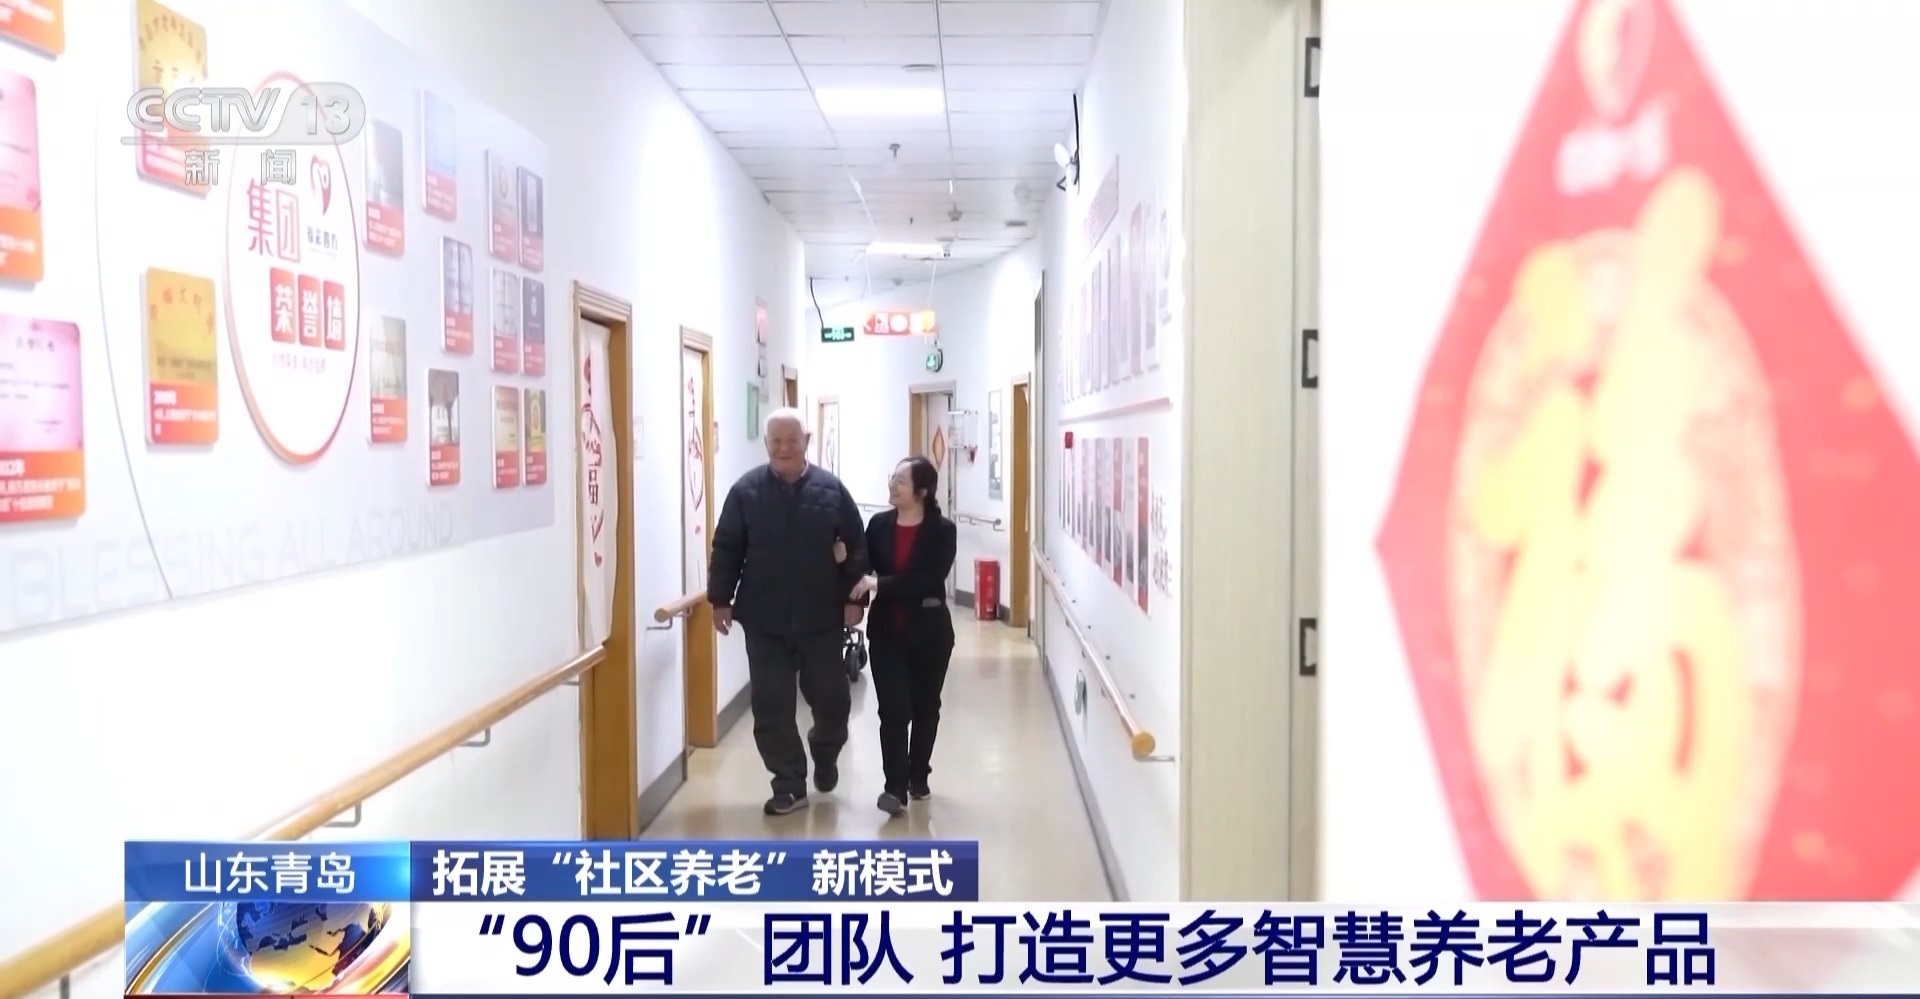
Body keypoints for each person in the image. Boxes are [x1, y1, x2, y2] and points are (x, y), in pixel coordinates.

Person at [708, 407, 870, 815]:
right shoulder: (745, 492)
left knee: (832, 700)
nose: (783, 448)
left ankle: (826, 750)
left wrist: (854, 599)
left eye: (791, 440)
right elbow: (727, 547)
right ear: (766, 444)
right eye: (776, 441)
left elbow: (856, 545)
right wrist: (720, 599)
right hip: (765, 620)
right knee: (771, 705)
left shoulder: (831, 490)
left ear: (806, 442)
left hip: (821, 617)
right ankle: (789, 783)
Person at [852, 456, 959, 817]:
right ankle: (894, 788)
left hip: (930, 633)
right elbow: (863, 566)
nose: (892, 485)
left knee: (926, 706)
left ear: (922, 491)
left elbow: (928, 580)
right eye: (892, 478)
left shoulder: (942, 531)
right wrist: (845, 559)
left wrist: (880, 583)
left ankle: (919, 775)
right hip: (887, 633)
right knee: (893, 711)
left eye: (900, 480)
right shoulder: (879, 525)